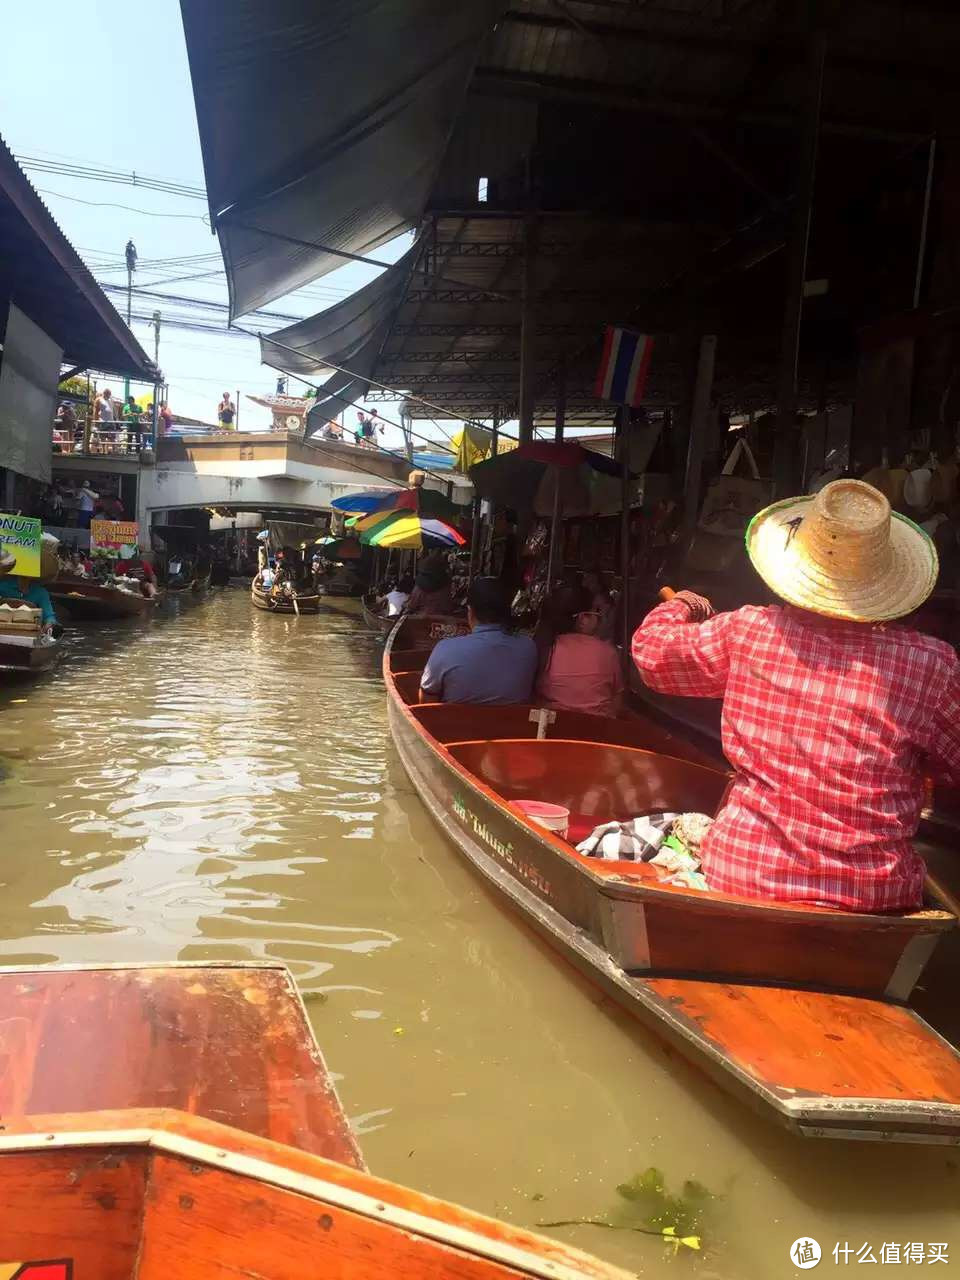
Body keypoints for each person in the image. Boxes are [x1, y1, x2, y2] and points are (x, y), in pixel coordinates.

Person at [632, 478, 960, 914]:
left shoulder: (749, 632)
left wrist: (685, 605)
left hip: (746, 875)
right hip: (875, 896)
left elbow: (652, 655)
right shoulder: (932, 665)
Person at [420, 577, 537, 705]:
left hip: (455, 724)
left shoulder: (445, 649)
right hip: (514, 724)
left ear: (470, 612)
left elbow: (426, 701)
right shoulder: (528, 647)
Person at [536, 585, 623, 717]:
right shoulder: (608, 652)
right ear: (582, 619)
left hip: (551, 729)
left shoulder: (546, 647)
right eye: (596, 612)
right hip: (597, 731)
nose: (600, 618)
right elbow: (618, 699)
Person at [0, 552, 58, 634]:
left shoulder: (41, 592)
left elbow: (49, 616)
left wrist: (49, 624)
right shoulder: (2, 586)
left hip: (30, 634)